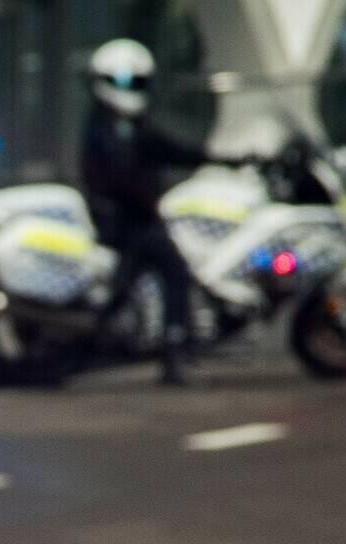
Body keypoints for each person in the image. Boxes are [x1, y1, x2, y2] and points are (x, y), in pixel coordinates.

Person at [80, 38, 245, 386]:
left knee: (140, 278)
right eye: (128, 83)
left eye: (138, 83)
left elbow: (167, 148)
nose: (133, 91)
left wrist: (218, 158)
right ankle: (174, 356)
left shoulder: (119, 124)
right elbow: (121, 174)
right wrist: (149, 201)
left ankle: (115, 330)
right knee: (176, 272)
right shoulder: (110, 127)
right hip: (125, 221)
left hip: (123, 217)